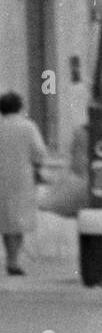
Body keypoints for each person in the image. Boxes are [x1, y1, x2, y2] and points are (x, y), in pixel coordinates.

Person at [0, 92, 48, 276]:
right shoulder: (28, 126)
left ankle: (10, 260)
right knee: (18, 222)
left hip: (1, 178)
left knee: (5, 220)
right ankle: (13, 261)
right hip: (21, 178)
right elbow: (39, 152)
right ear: (19, 107)